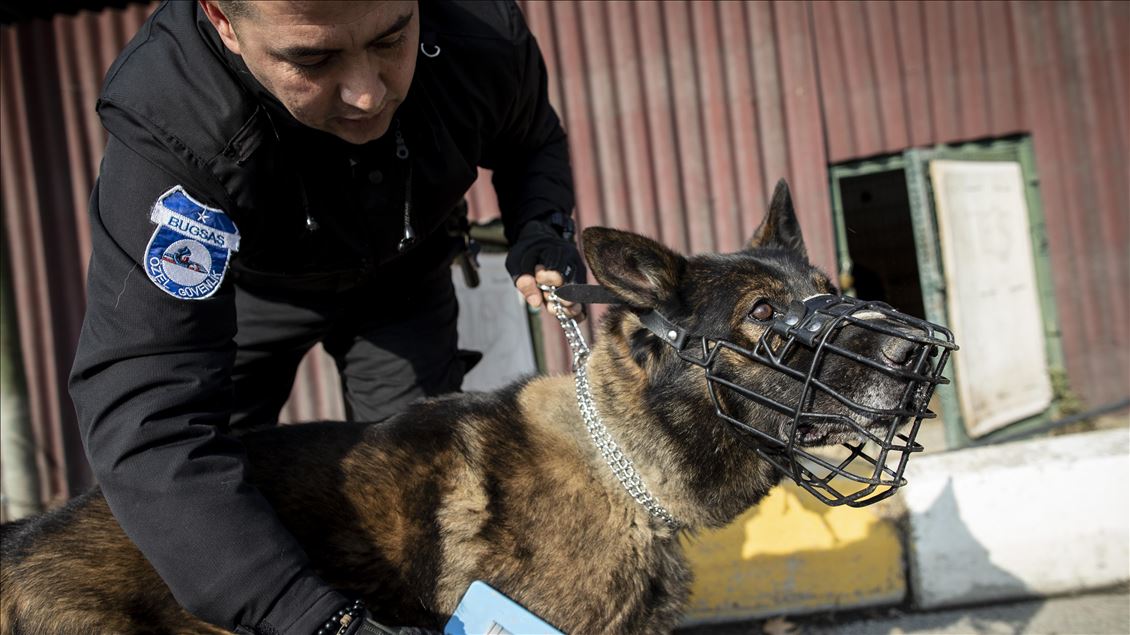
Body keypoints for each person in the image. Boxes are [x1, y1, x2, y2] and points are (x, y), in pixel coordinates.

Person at [68, 1, 584, 633]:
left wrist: (542, 225)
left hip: (404, 280)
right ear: (224, 21)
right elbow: (152, 426)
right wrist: (318, 622)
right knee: (197, 521)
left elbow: (529, 138)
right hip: (252, 296)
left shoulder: (482, 31)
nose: (367, 95)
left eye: (392, 40)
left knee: (427, 492)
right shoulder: (175, 115)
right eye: (312, 59)